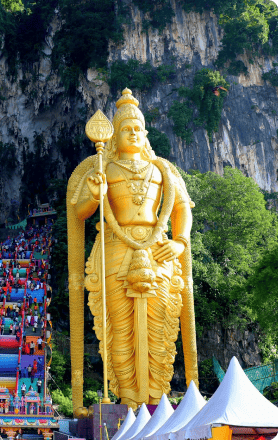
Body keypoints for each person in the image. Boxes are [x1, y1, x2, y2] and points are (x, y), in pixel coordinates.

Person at [68, 89, 198, 410]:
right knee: (120, 327)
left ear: (146, 133)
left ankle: (156, 398)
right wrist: (96, 193)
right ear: (115, 134)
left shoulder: (163, 169)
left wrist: (179, 240)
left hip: (158, 250)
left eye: (138, 128)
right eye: (126, 128)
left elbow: (182, 207)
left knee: (160, 322)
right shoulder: (104, 168)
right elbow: (80, 211)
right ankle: (127, 399)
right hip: (115, 246)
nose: (134, 133)